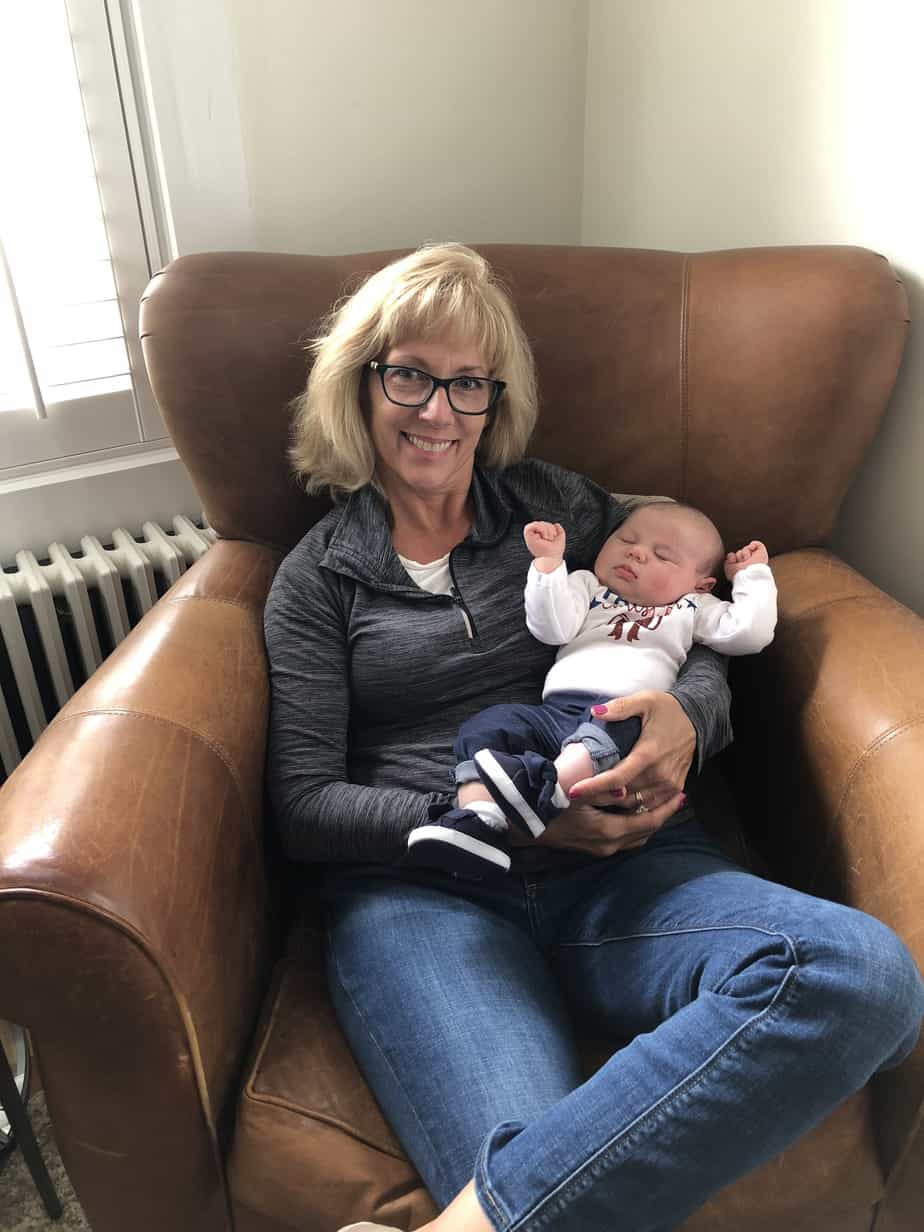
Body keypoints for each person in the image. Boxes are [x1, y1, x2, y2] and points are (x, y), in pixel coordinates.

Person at [263, 242, 924, 1232]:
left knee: (859, 971)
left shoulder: (557, 504)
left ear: (494, 399)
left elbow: (682, 606)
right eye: (409, 374)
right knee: (557, 1178)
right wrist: (481, 820)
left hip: (630, 868)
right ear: (357, 383)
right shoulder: (316, 582)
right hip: (432, 901)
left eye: (467, 383)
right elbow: (305, 802)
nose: (438, 411)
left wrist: (687, 719)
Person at [405, 505, 778, 878]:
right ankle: (474, 817)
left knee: (609, 733)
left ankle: (547, 788)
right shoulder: (587, 585)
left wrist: (752, 576)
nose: (636, 552)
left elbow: (749, 633)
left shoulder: (694, 607)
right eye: (626, 540)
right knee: (489, 724)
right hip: (555, 711)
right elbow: (552, 628)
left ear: (701, 583)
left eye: (662, 555)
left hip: (625, 715)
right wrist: (549, 566)